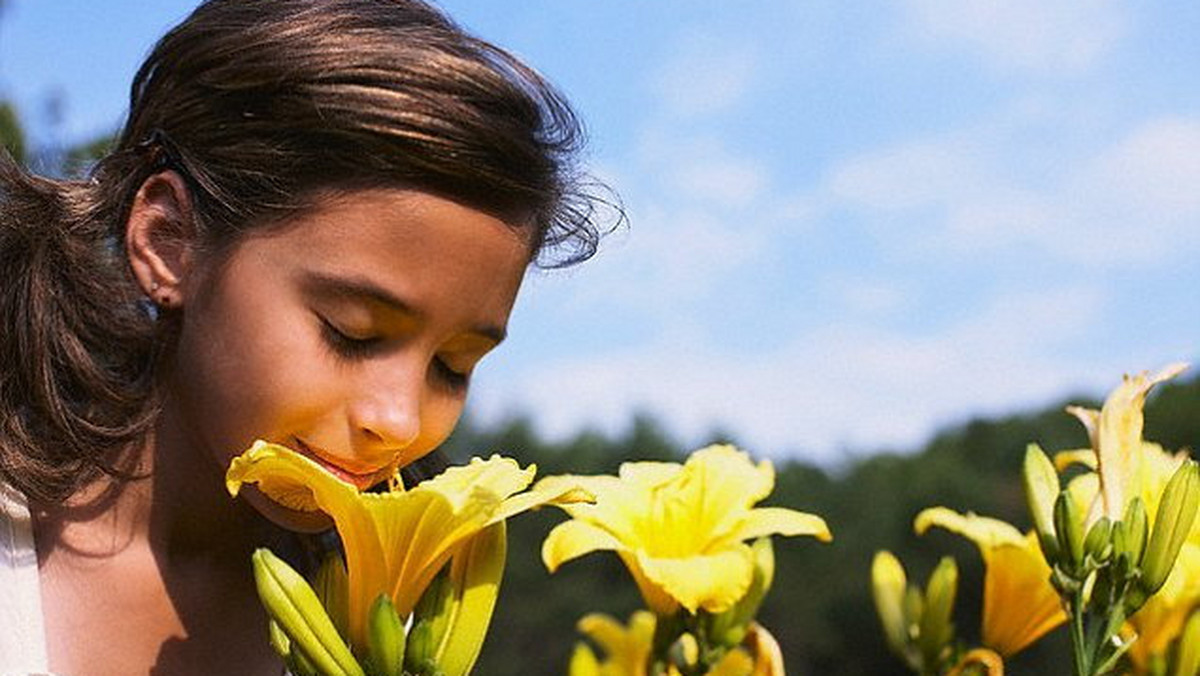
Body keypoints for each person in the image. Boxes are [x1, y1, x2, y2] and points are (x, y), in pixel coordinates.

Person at [0, 1, 611, 674]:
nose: (399, 422)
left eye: (453, 366)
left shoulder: (395, 622)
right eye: (351, 335)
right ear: (168, 241)